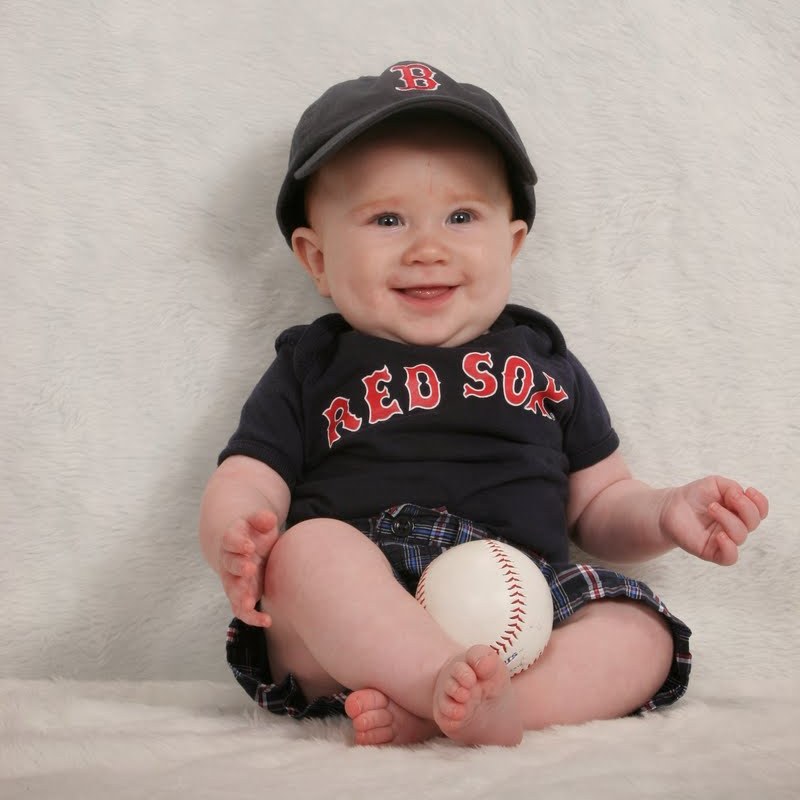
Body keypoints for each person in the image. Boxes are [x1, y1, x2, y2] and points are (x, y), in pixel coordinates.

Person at [198, 60, 768, 747]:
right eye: (387, 218)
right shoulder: (310, 366)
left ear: (513, 242)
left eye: (462, 216)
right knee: (307, 553)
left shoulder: (542, 361)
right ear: (315, 259)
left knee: (639, 632)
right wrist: (237, 535)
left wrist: (665, 512)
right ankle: (432, 681)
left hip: (523, 597)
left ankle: (483, 708)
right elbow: (248, 477)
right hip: (362, 593)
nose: (428, 248)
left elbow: (598, 504)